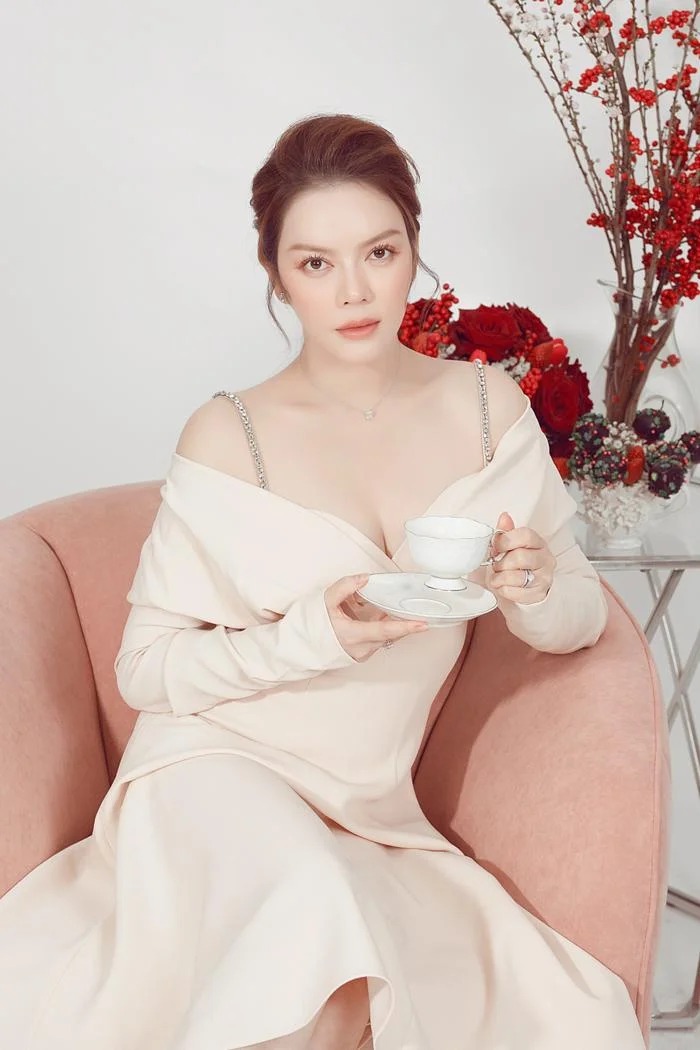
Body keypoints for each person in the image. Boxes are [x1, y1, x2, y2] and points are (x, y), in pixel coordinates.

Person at [0, 114, 646, 1050]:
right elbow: (145, 671)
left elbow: (579, 618)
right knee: (322, 956)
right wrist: (316, 635)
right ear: (275, 274)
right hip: (212, 773)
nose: (354, 291)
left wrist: (537, 586)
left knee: (368, 981)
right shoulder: (231, 435)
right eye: (315, 263)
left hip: (368, 812)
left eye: (379, 252)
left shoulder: (485, 411)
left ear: (413, 247)